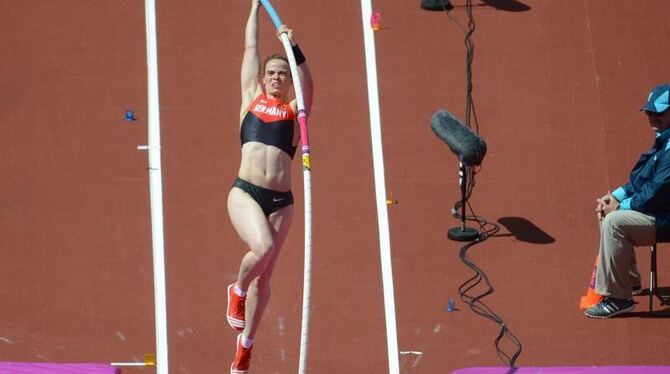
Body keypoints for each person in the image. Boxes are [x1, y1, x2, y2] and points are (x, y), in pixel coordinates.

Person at [225, 0, 313, 372]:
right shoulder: (250, 100)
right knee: (260, 248)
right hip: (246, 191)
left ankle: (245, 347)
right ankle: (237, 291)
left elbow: (309, 82)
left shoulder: (296, 110)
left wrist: (293, 47)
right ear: (263, 79)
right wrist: (254, 8)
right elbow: (250, 48)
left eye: (282, 74)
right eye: (272, 73)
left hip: (282, 202)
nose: (277, 77)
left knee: (267, 277)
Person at [585, 83, 670, 319]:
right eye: (650, 112)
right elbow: (640, 181)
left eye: (659, 112)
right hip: (659, 211)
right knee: (608, 211)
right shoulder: (664, 139)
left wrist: (620, 207)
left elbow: (655, 192)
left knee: (614, 222)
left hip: (665, 218)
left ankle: (619, 299)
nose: (653, 117)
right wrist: (614, 196)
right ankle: (628, 281)